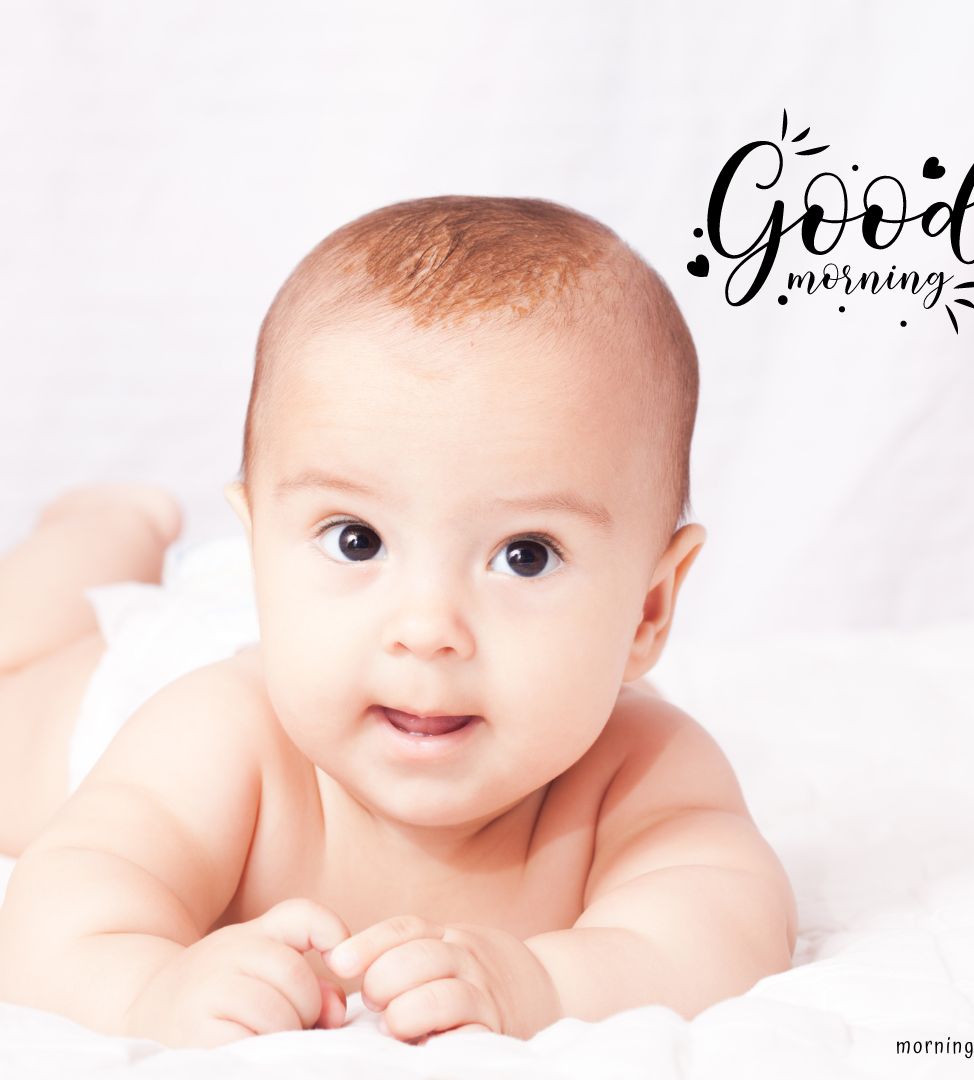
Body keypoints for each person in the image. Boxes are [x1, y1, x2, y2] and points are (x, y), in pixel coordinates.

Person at [0, 195, 796, 1047]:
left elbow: (730, 927)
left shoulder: (641, 771)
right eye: (357, 538)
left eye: (525, 554)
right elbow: (53, 917)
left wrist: (545, 983)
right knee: (26, 663)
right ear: (262, 552)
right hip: (117, 689)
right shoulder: (215, 738)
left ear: (648, 608)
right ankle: (103, 526)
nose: (427, 629)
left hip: (321, 645)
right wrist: (151, 988)